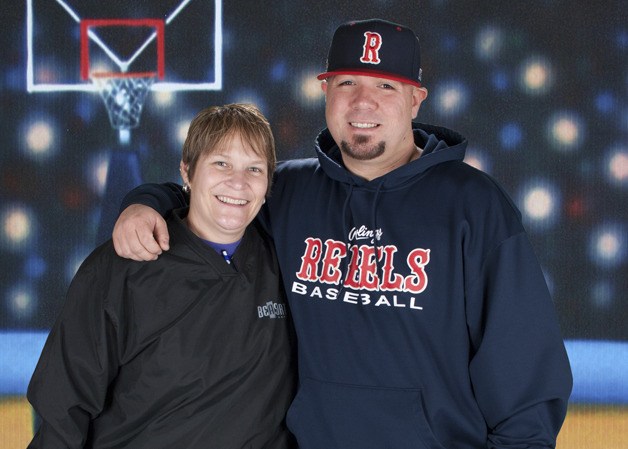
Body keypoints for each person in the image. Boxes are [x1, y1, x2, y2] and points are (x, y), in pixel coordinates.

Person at [113, 19, 573, 449]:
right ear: (325, 90)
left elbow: (525, 374)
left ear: (416, 100)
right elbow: (215, 200)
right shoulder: (288, 191)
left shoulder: (475, 205)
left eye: (385, 86)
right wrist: (148, 201)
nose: (362, 103)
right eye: (347, 83)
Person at [27, 104, 297, 449]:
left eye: (254, 168)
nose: (238, 182)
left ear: (268, 182)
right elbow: (63, 408)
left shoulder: (286, 261)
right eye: (221, 163)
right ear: (187, 172)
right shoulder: (122, 267)